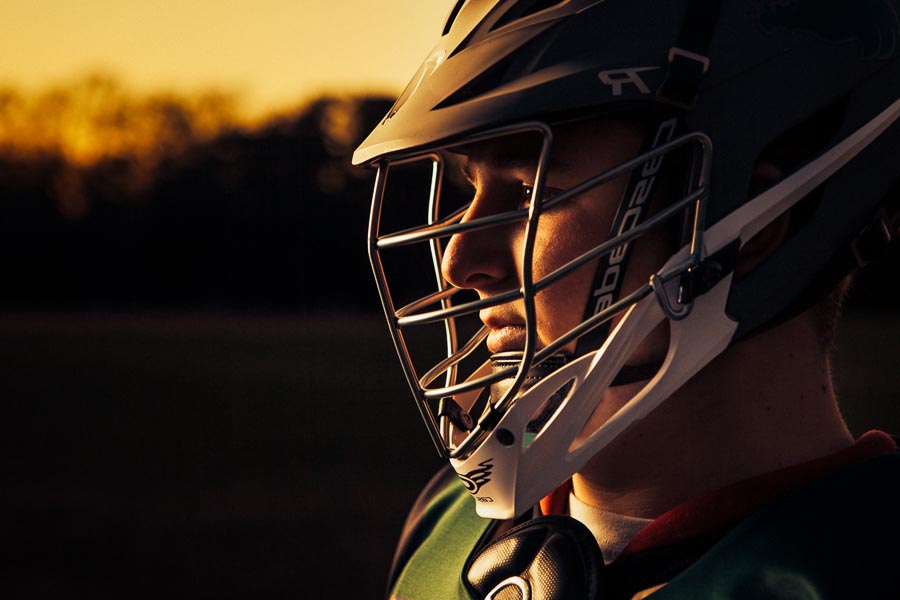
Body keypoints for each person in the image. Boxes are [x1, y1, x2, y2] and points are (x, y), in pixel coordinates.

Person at [353, 1, 900, 598]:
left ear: (748, 228)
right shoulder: (447, 526)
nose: (459, 264)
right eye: (472, 186)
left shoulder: (855, 571)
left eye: (535, 189)